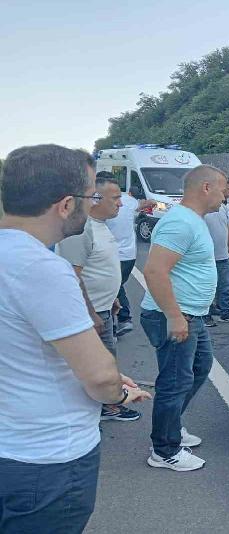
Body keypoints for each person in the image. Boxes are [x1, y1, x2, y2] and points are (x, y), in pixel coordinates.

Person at [0, 144, 150, 533]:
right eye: (90, 196)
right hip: (47, 459)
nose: (93, 203)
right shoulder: (41, 268)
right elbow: (99, 376)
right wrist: (117, 393)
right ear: (66, 205)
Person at [140, 164, 228, 471]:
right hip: (177, 315)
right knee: (175, 381)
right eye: (222, 188)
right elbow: (154, 270)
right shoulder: (180, 222)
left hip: (192, 314)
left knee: (199, 368)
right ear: (206, 188)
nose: (225, 194)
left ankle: (171, 427)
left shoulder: (194, 219)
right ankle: (164, 450)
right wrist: (175, 317)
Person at [57, 175, 142, 422]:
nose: (121, 204)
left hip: (102, 308)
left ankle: (105, 406)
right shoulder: (80, 230)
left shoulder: (99, 225)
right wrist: (91, 313)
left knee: (104, 364)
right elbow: (71, 277)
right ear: (94, 198)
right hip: (88, 314)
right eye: (115, 198)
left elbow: (100, 268)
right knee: (94, 368)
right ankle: (94, 412)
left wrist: (113, 296)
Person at [103, 171, 156, 336]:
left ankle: (118, 322)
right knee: (117, 286)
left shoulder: (100, 204)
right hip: (129, 256)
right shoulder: (128, 200)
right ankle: (122, 320)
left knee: (110, 288)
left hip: (112, 256)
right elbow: (150, 202)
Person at [203, 176, 229, 326]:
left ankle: (225, 311)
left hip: (223, 253)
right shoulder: (203, 207)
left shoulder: (225, 206)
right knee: (208, 285)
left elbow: (228, 227)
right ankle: (205, 313)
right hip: (207, 255)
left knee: (225, 284)